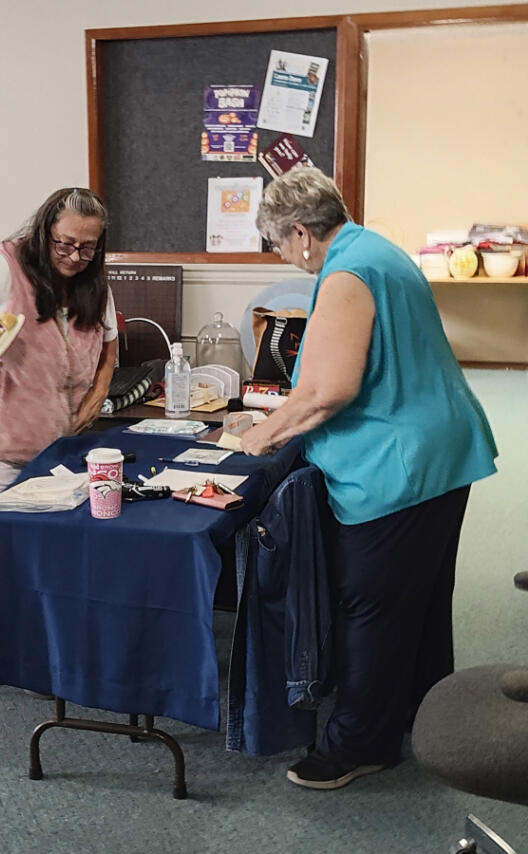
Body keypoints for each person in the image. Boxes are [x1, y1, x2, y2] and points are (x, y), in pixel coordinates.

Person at [241, 165, 497, 790]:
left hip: (398, 466)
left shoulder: (347, 273)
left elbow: (330, 390)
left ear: (301, 233)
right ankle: (427, 715)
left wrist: (255, 437)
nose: (283, 256)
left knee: (371, 607)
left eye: (278, 244)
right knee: (422, 598)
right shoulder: (375, 248)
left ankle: (359, 744)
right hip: (440, 448)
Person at [0, 187, 117, 512]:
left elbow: (108, 345)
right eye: (65, 244)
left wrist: (98, 393)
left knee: (42, 541)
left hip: (52, 444)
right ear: (45, 231)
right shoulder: (1, 267)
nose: (74, 257)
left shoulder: (93, 284)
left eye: (87, 249)